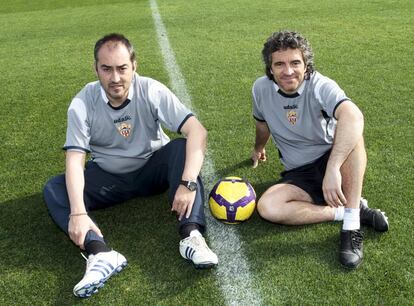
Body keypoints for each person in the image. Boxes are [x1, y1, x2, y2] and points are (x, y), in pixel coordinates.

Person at [43, 33, 218, 298]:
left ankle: (191, 234)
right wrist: (78, 213)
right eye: (106, 69)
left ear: (134, 65)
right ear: (96, 69)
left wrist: (188, 182)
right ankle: (100, 253)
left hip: (152, 170)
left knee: (181, 148)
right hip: (109, 179)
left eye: (122, 68)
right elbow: (75, 159)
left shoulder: (151, 89)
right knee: (55, 189)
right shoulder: (81, 103)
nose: (115, 78)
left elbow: (197, 132)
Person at [251, 30, 388, 269]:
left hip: (331, 160)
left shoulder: (320, 85)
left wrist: (333, 168)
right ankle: (343, 212)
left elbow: (353, 116)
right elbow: (262, 124)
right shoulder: (260, 89)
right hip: (298, 172)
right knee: (267, 207)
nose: (288, 71)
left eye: (295, 63)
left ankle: (351, 225)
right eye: (279, 64)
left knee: (354, 137)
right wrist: (258, 148)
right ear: (270, 68)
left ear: (306, 65)